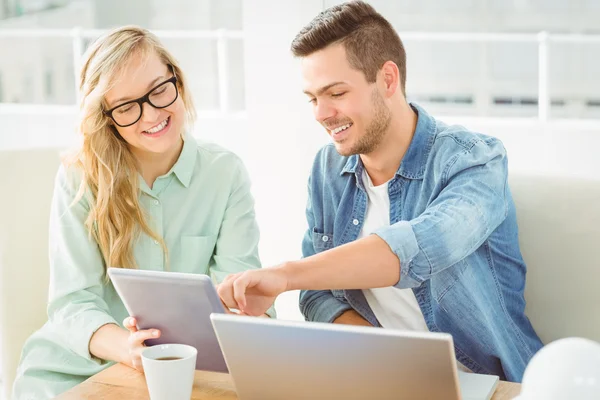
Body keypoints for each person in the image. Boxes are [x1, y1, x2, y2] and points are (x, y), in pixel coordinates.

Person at [217, 0, 542, 383]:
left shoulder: (475, 162)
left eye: (335, 93)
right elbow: (319, 297)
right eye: (312, 98)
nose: (320, 113)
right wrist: (385, 357)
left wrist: (286, 275)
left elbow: (416, 248)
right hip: (383, 377)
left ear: (388, 80)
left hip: (490, 384)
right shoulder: (329, 169)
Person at [12, 26, 273, 400]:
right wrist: (128, 348)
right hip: (80, 364)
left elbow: (235, 292)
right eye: (126, 106)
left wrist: (249, 314)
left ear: (176, 78)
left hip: (186, 367)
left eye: (158, 90)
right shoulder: (80, 177)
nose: (151, 114)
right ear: (107, 116)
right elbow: (72, 302)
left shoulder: (225, 172)